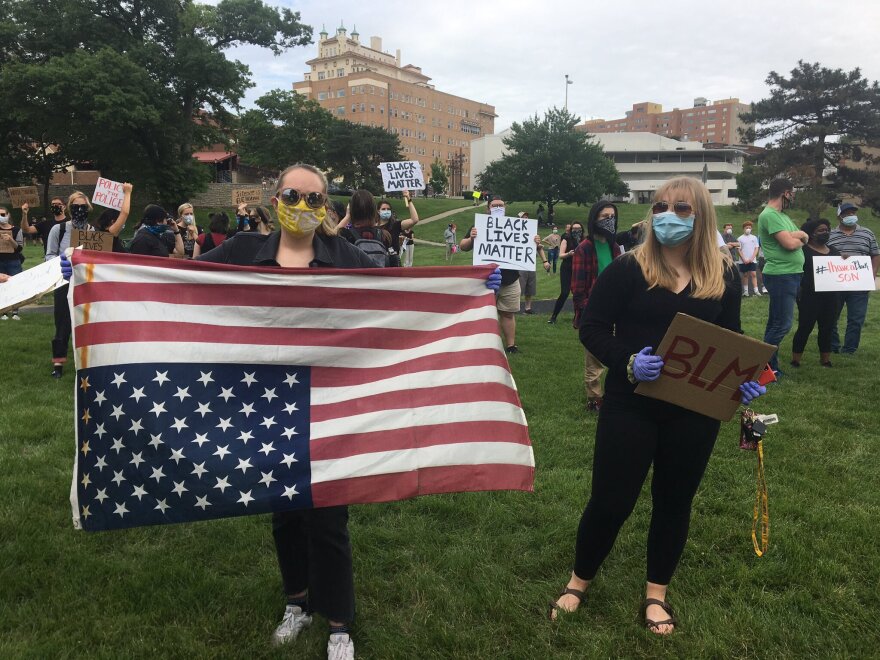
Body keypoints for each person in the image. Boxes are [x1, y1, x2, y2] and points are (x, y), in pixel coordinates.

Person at [195, 163, 498, 660]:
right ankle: (297, 602)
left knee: (328, 517)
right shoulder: (243, 251)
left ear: (327, 208)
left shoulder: (344, 255)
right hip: (267, 399)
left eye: (315, 200)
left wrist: (473, 287)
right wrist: (97, 272)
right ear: (276, 200)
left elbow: (401, 298)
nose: (303, 207)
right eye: (293, 195)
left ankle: (339, 622)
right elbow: (184, 282)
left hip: (333, 400)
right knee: (285, 512)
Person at [549, 176, 765, 634]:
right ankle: (578, 580)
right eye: (661, 206)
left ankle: (656, 593)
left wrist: (743, 378)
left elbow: (730, 338)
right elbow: (591, 327)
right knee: (610, 500)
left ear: (701, 215)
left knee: (675, 501)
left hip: (695, 409)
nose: (668, 215)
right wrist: (626, 362)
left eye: (682, 208)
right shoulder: (630, 269)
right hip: (632, 403)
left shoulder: (722, 274)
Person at [459, 197, 548, 353]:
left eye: (501, 205)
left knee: (508, 314)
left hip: (510, 279)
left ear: (505, 208)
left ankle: (511, 345)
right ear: (488, 208)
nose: (498, 207)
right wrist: (471, 238)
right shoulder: (479, 225)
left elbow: (528, 248)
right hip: (485, 280)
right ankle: (483, 345)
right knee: (484, 314)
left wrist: (534, 240)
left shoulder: (517, 226)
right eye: (494, 206)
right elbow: (463, 246)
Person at [571, 202, 624, 411]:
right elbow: (577, 287)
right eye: (604, 216)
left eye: (612, 216)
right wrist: (585, 311)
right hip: (594, 310)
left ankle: (613, 393)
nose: (609, 220)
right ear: (594, 219)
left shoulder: (615, 247)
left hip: (617, 307)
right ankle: (594, 398)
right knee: (594, 360)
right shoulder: (584, 249)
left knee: (616, 351)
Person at [757, 178, 808, 375]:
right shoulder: (770, 215)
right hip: (781, 275)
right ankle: (763, 366)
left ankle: (769, 367)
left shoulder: (782, 216)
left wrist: (799, 236)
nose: (793, 196)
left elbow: (801, 237)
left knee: (775, 323)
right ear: (785, 193)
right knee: (783, 325)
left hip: (790, 275)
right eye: (792, 192)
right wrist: (800, 235)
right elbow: (790, 243)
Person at [827, 202, 879, 354]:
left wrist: (872, 275)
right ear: (839, 216)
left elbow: (875, 255)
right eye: (847, 213)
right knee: (831, 317)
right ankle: (833, 346)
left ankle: (849, 349)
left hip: (859, 284)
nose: (850, 216)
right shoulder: (830, 235)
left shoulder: (867, 234)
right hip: (835, 284)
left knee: (856, 319)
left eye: (852, 213)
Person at [791, 219, 839, 367]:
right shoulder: (803, 251)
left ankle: (825, 360)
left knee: (828, 327)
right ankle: (796, 360)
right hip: (809, 296)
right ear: (811, 233)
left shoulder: (834, 251)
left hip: (831, 296)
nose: (826, 232)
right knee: (805, 326)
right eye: (821, 230)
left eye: (827, 229)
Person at [547, 221, 584, 324]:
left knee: (579, 293)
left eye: (579, 229)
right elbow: (561, 255)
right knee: (564, 293)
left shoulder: (584, 240)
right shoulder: (566, 238)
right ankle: (554, 316)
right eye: (574, 229)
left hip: (580, 268)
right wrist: (569, 253)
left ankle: (579, 317)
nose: (576, 231)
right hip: (567, 267)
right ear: (571, 229)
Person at [377, 190, 420, 265]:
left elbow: (414, 219)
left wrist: (408, 198)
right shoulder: (373, 227)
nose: (386, 211)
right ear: (378, 211)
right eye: (383, 209)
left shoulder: (395, 225)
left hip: (393, 263)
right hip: (378, 262)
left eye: (388, 209)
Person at [0, 206, 24, 320]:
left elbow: (20, 248)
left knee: (15, 285)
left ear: (8, 215)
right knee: (2, 286)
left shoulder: (17, 230)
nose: (1, 217)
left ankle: (15, 312)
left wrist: (10, 239)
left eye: (3, 214)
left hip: (14, 261)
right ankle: (4, 312)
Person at [737, 221, 760, 297]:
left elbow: (756, 248)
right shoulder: (740, 238)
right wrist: (744, 259)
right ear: (743, 228)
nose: (748, 229)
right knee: (745, 275)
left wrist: (752, 258)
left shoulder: (754, 237)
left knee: (753, 274)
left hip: (752, 260)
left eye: (750, 228)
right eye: (747, 228)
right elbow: (739, 250)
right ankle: (746, 291)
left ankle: (756, 291)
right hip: (743, 261)